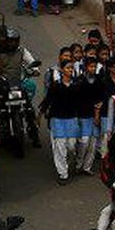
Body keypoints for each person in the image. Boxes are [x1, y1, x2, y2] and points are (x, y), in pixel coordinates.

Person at [41, 55, 82, 184]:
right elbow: (48, 101)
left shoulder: (76, 85)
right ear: (62, 70)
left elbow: (80, 103)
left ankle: (71, 161)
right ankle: (63, 174)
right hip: (57, 120)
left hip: (72, 119)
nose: (70, 70)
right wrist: (40, 114)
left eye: (71, 68)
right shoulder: (55, 86)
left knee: (71, 146)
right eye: (68, 68)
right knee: (60, 147)